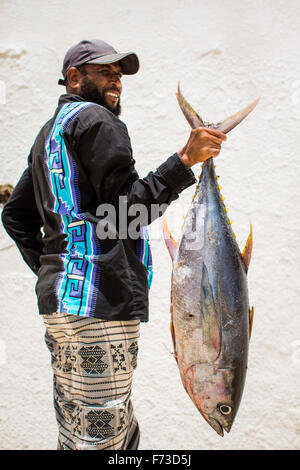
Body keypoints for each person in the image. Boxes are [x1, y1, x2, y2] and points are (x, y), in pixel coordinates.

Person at [1, 39, 226, 450]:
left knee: (81, 428)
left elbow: (15, 216)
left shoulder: (49, 133)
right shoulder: (99, 122)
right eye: (105, 72)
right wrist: (184, 161)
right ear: (73, 78)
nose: (116, 82)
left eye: (119, 75)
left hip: (64, 311)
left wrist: (60, 269)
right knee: (103, 436)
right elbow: (126, 215)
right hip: (100, 309)